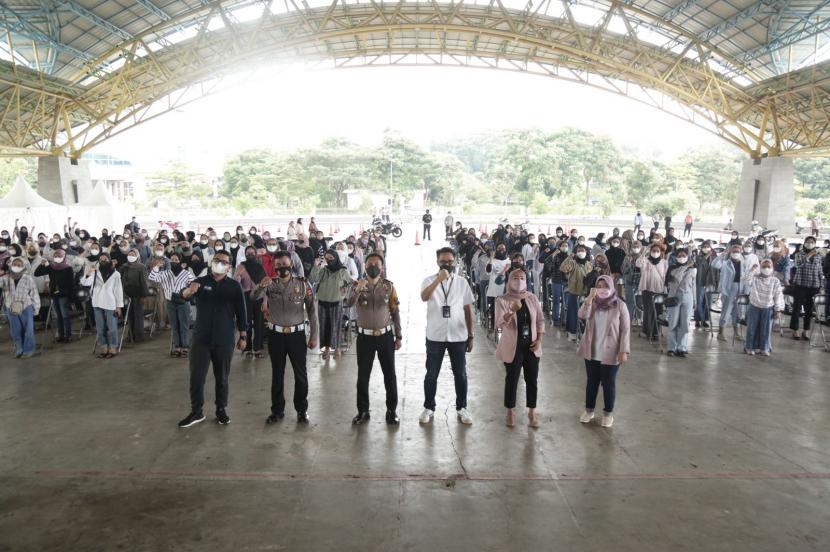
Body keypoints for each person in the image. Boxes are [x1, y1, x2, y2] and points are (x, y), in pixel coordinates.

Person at [177, 250, 247, 428]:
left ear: (229, 267)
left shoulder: (233, 286)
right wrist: (188, 291)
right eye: (217, 260)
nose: (220, 264)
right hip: (201, 338)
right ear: (212, 262)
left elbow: (241, 311)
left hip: (224, 338)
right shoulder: (200, 282)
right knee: (197, 376)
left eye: (224, 262)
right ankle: (196, 412)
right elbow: (183, 295)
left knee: (222, 377)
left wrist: (243, 335)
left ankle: (221, 409)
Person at [252, 251, 318, 424]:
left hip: (297, 335)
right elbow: (253, 297)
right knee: (277, 374)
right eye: (279, 265)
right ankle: (277, 411)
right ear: (275, 267)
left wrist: (314, 336)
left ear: (292, 265)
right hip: (276, 336)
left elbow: (312, 310)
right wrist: (260, 286)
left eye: (285, 264)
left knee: (300, 374)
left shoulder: (303, 284)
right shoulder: (270, 284)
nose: (282, 267)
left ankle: (302, 410)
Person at [419, 247, 475, 425]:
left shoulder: (462, 282)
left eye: (450, 261)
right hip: (435, 336)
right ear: (437, 262)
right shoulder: (428, 280)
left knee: (460, 374)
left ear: (455, 261)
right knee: (431, 374)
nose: (447, 264)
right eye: (443, 261)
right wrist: (438, 280)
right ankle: (429, 407)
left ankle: (462, 407)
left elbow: (467, 309)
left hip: (458, 336)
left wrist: (471, 335)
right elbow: (424, 297)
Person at [347, 253, 402, 425]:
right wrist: (358, 289)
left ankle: (391, 410)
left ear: (382, 267)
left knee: (389, 375)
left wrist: (398, 335)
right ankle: (363, 411)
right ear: (364, 266)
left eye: (376, 264)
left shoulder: (389, 287)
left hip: (385, 336)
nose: (373, 266)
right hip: (364, 338)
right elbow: (348, 304)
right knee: (363, 376)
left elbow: (395, 311)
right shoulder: (357, 285)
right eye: (370, 263)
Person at [576, 275, 630, 428]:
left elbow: (625, 329)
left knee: (608, 383)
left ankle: (608, 413)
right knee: (591, 382)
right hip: (592, 351)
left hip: (611, 352)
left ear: (611, 287)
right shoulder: (592, 303)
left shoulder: (619, 305)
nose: (602, 289)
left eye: (605, 286)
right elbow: (582, 315)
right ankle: (589, 410)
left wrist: (623, 350)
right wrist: (589, 299)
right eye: (599, 286)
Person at [495, 269, 545, 428]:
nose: (519, 280)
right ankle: (510, 411)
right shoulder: (502, 300)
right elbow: (500, 324)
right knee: (512, 379)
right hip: (512, 346)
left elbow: (540, 321)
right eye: (515, 278)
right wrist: (511, 311)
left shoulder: (532, 298)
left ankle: (532, 411)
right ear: (509, 280)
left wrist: (539, 340)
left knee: (532, 379)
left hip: (531, 345)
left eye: (522, 278)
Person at [148, 253, 196, 357]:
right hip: (170, 302)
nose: (174, 261)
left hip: (183, 302)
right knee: (174, 325)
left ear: (180, 262)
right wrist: (157, 266)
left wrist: (189, 293)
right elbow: (152, 277)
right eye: (172, 259)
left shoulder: (186, 273)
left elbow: (194, 284)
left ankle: (185, 347)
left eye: (176, 259)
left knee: (183, 325)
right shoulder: (165, 273)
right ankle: (177, 346)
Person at [310, 248, 353, 360]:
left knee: (336, 326)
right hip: (322, 302)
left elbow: (350, 283)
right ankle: (327, 349)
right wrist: (316, 266)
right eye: (327, 258)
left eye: (331, 258)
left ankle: (337, 348)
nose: (329, 260)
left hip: (336, 302)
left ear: (336, 258)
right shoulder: (323, 270)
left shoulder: (342, 271)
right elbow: (313, 278)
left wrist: (344, 292)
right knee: (324, 326)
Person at [80, 253, 124, 359]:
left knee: (112, 328)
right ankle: (104, 347)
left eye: (105, 259)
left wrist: (118, 306)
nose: (103, 260)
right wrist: (89, 272)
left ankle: (113, 347)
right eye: (101, 259)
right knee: (100, 328)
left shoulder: (116, 274)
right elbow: (85, 283)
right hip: (97, 302)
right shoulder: (95, 272)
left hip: (110, 303)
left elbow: (118, 291)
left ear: (109, 260)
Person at [711, 244, 757, 342]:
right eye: (734, 251)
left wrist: (746, 290)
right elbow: (714, 265)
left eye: (738, 251)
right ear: (730, 252)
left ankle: (736, 332)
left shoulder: (743, 263)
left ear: (741, 252)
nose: (736, 253)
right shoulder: (725, 263)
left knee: (737, 312)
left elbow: (746, 277)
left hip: (740, 289)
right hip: (728, 289)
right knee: (726, 311)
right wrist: (722, 255)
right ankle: (721, 332)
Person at [0, 257, 41, 358]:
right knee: (15, 330)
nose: (16, 267)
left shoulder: (27, 278)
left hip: (26, 306)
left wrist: (36, 308)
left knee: (28, 329)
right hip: (11, 307)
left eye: (19, 265)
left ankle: (29, 350)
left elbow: (34, 293)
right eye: (14, 264)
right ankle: (20, 349)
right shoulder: (5, 278)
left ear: (23, 266)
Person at [743, 259, 785, 356]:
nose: (766, 268)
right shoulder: (755, 278)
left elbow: (778, 296)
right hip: (754, 306)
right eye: (764, 267)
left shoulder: (775, 281)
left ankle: (764, 348)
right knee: (752, 328)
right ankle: (749, 347)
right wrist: (752, 270)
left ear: (772, 268)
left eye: (768, 267)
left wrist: (778, 310)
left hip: (768, 307)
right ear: (760, 268)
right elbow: (746, 281)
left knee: (766, 329)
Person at [34, 249, 76, 343]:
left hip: (64, 295)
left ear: (64, 257)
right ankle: (61, 335)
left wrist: (71, 298)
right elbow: (37, 273)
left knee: (65, 316)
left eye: (59, 256)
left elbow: (71, 284)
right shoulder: (51, 267)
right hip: (54, 294)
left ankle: (68, 335)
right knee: (58, 316)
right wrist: (42, 264)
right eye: (55, 256)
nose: (57, 258)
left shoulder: (68, 268)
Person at [234, 245, 267, 359]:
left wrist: (265, 302)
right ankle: (248, 348)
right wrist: (239, 274)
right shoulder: (241, 266)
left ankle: (257, 348)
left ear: (256, 254)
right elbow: (236, 283)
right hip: (245, 297)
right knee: (246, 322)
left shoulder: (260, 267)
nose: (250, 255)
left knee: (259, 323)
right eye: (248, 253)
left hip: (259, 297)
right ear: (245, 254)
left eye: (253, 253)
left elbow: (265, 285)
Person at [789, 236, 824, 340]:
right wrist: (808, 255)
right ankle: (795, 330)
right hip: (800, 284)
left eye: (812, 242)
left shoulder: (818, 256)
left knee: (809, 309)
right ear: (804, 243)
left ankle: (806, 330)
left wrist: (821, 285)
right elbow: (798, 265)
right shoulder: (799, 254)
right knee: (797, 308)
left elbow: (820, 271)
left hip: (814, 285)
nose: (810, 243)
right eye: (808, 242)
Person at [665, 249, 696, 356]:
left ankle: (682, 347)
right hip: (674, 296)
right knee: (673, 322)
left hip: (688, 297)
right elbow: (677, 277)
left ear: (687, 257)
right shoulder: (672, 268)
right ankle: (671, 347)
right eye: (680, 255)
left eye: (684, 255)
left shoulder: (693, 270)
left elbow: (693, 285)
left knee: (684, 323)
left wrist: (695, 300)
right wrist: (686, 266)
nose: (682, 257)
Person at [560, 245, 593, 341]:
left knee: (585, 315)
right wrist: (569, 258)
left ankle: (583, 333)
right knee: (573, 313)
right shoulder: (573, 263)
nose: (581, 252)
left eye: (583, 250)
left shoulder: (589, 264)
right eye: (579, 251)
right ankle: (572, 332)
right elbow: (563, 268)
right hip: (574, 292)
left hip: (586, 294)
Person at [636, 244, 668, 340]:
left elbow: (666, 275)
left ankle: (656, 332)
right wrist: (645, 251)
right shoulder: (645, 261)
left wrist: (666, 289)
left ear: (660, 252)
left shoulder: (664, 262)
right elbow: (638, 263)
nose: (655, 252)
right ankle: (646, 331)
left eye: (657, 251)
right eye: (653, 251)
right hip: (647, 289)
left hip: (659, 290)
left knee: (658, 311)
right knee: (648, 310)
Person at [118, 248, 150, 343]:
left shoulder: (141, 267)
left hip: (137, 293)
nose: (131, 256)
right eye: (129, 254)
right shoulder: (124, 267)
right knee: (129, 315)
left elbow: (144, 282)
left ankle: (139, 336)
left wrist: (144, 295)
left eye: (133, 254)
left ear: (137, 256)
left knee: (138, 315)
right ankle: (130, 335)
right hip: (126, 294)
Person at [693, 241, 716, 328]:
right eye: (704, 246)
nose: (706, 248)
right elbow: (699, 264)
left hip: (709, 282)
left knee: (707, 303)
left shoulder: (713, 257)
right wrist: (707, 255)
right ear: (702, 248)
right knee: (699, 301)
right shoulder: (698, 257)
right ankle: (698, 320)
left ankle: (705, 319)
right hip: (700, 282)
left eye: (708, 246)